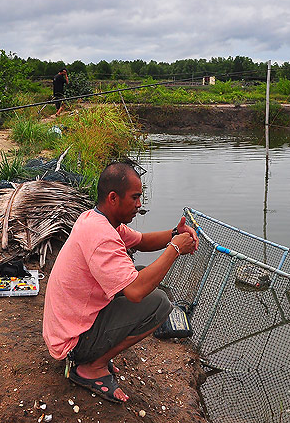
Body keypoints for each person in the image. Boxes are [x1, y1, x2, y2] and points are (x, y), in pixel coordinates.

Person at [42, 162, 198, 402]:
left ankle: (95, 354)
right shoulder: (102, 236)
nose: (139, 204)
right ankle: (89, 367)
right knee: (158, 302)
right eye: (135, 198)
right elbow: (136, 292)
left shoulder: (97, 220)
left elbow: (143, 240)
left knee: (142, 273)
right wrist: (175, 249)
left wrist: (174, 234)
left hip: (69, 325)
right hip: (71, 342)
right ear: (113, 198)